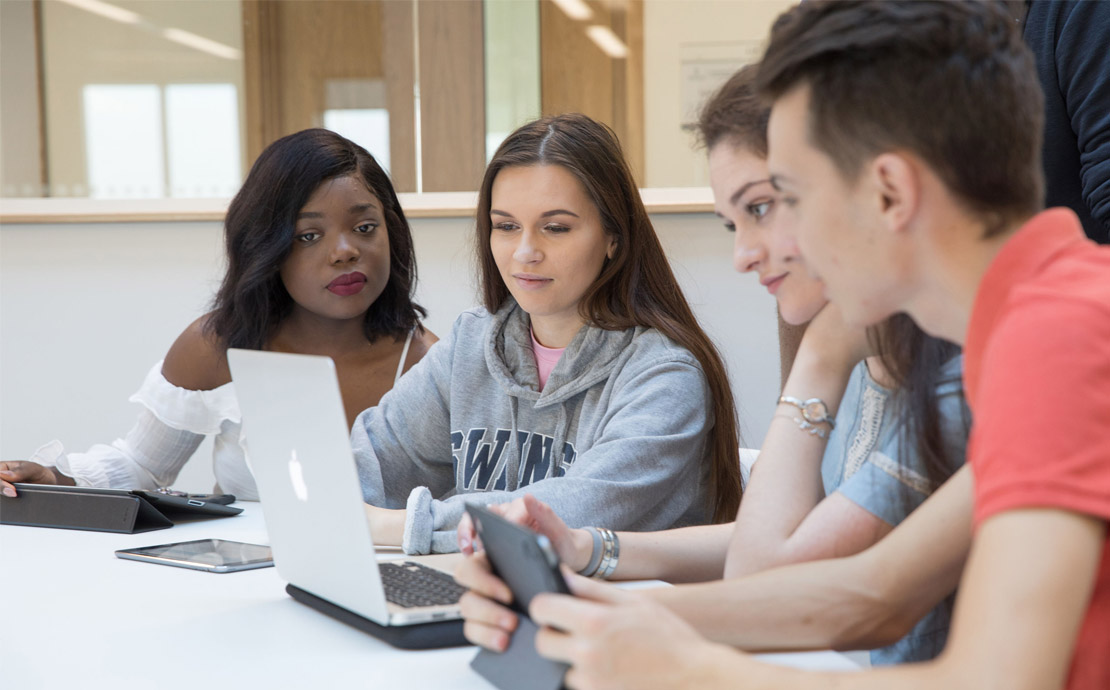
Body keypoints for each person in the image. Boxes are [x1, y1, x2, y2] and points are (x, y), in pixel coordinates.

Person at [499, 2, 1109, 688]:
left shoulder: (1059, 337)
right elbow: (871, 588)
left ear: (888, 193)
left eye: (787, 196)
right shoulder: (1045, 316)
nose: (777, 243)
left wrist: (690, 671)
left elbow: (995, 680)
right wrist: (581, 607)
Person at [455, 65, 970, 665]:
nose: (743, 256)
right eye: (733, 222)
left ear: (880, 185)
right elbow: (779, 554)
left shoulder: (955, 371)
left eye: (762, 207)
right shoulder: (872, 348)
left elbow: (819, 590)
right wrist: (585, 551)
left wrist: (821, 356)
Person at [351, 113, 742, 555]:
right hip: (489, 597)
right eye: (506, 226)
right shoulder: (472, 343)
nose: (525, 252)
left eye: (555, 228)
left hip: (615, 614)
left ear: (614, 237)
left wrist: (392, 525)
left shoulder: (665, 375)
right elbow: (371, 461)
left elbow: (557, 520)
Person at [0, 128, 435, 501]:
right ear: (268, 247)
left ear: (391, 231)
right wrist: (56, 479)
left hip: (386, 585)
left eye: (364, 228)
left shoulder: (430, 364)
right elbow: (142, 466)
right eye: (308, 235)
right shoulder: (216, 346)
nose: (345, 252)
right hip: (235, 584)